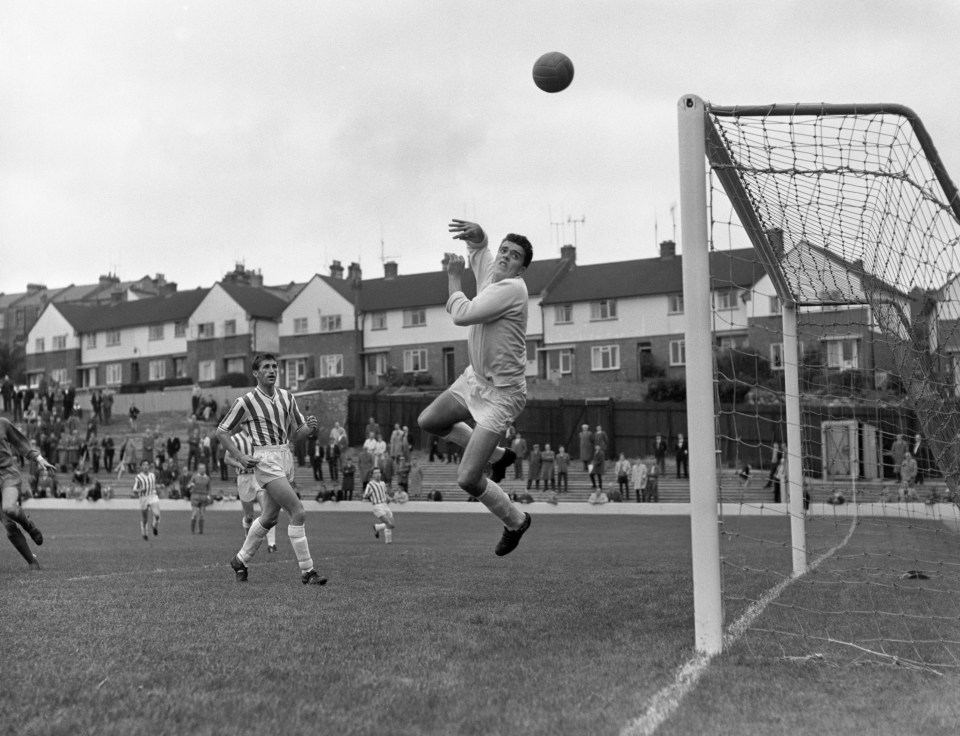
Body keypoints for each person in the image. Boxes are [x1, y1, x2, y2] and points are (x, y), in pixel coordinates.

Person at [416, 218, 533, 556]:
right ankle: (500, 456)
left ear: (521, 270)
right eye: (504, 250)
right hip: (475, 380)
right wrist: (479, 235)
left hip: (503, 396)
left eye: (514, 257)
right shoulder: (493, 272)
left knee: (467, 479)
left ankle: (516, 520)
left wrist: (453, 277)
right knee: (429, 422)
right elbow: (480, 250)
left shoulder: (513, 289)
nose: (505, 257)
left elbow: (463, 314)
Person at [218, 353, 326, 586]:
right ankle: (308, 571)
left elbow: (296, 434)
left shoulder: (287, 397)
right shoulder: (246, 401)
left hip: (284, 454)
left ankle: (240, 560)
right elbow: (221, 431)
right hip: (264, 459)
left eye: (274, 367)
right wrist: (239, 455)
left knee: (269, 517)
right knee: (298, 512)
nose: (272, 370)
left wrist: (310, 429)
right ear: (256, 373)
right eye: (266, 367)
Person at [1, 417, 55, 569]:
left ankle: (28, 525)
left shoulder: (3, 423)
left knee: (9, 508)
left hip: (7, 475)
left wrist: (38, 458)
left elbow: (20, 442)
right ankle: (33, 563)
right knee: (8, 525)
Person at [224, 429, 277, 553]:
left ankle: (272, 544)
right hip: (244, 478)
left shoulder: (260, 436)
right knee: (249, 516)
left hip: (259, 477)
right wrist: (240, 465)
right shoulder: (235, 439)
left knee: (267, 511)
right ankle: (248, 541)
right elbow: (227, 459)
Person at [363, 467, 395, 544]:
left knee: (392, 525)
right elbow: (365, 495)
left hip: (385, 505)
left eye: (379, 472)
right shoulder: (370, 484)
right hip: (377, 506)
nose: (378, 474)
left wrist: (390, 498)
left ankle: (377, 527)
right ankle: (388, 542)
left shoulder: (383, 483)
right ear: (372, 475)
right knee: (389, 523)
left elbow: (385, 494)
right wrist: (366, 496)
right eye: (375, 473)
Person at [132, 460, 161, 540]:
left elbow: (153, 485)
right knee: (145, 519)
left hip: (152, 496)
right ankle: (144, 531)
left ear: (149, 466)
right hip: (143, 498)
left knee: (157, 514)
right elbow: (134, 489)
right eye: (144, 465)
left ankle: (154, 525)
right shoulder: (138, 477)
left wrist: (159, 486)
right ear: (141, 467)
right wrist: (141, 490)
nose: (145, 466)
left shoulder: (152, 475)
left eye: (147, 465)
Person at [187, 463, 213, 534]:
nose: (203, 470)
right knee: (194, 513)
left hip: (203, 498)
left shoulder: (207, 478)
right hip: (195, 496)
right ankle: (192, 531)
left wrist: (209, 495)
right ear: (198, 469)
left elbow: (209, 488)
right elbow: (188, 485)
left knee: (202, 515)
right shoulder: (194, 477)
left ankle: (201, 531)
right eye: (201, 469)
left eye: (204, 468)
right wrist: (190, 485)